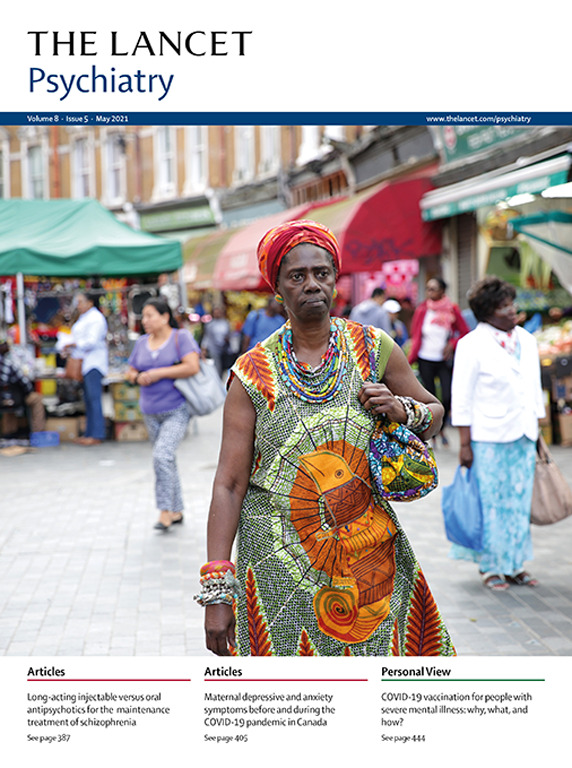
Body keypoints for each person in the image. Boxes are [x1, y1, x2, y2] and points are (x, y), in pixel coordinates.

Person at [198, 219, 455, 657]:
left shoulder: (374, 348)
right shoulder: (252, 373)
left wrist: (402, 409)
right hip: (277, 566)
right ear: (277, 288)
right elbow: (229, 484)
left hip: (367, 557)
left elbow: (435, 414)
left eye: (321, 273)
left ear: (335, 279)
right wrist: (218, 588)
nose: (312, 284)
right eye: (297, 276)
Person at [450, 276, 545, 591]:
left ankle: (515, 564)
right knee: (492, 503)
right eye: (504, 306)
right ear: (488, 311)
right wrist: (464, 444)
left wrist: (539, 430)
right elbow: (461, 397)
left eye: (512, 304)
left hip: (524, 433)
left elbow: (533, 387)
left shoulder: (527, 340)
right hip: (488, 436)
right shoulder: (471, 345)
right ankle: (491, 566)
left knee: (519, 501)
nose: (512, 310)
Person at [127, 297, 200, 531]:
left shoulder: (181, 337)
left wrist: (158, 373)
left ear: (165, 317)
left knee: (161, 456)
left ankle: (165, 511)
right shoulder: (141, 343)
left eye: (150, 315)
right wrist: (137, 377)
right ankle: (177, 510)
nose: (145, 321)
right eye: (143, 316)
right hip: (150, 411)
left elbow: (192, 366)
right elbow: (130, 371)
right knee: (167, 459)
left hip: (176, 409)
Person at [408, 277, 469, 446]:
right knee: (429, 395)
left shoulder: (452, 309)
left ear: (442, 291)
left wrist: (452, 344)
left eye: (433, 289)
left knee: (448, 396)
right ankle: (433, 432)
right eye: (428, 288)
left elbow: (464, 332)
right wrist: (409, 359)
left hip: (444, 360)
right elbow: (415, 335)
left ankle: (440, 427)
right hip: (425, 358)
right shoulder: (422, 310)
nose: (429, 292)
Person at [64, 292, 108, 445]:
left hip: (93, 363)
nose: (78, 305)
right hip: (84, 362)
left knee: (94, 399)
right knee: (88, 399)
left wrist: (74, 344)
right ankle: (89, 432)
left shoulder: (96, 318)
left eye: (81, 302)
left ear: (90, 302)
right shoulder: (84, 317)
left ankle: (97, 434)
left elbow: (92, 341)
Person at [0, 337, 46, 435]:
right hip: (14, 398)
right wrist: (29, 391)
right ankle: (38, 432)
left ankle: (8, 432)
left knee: (7, 405)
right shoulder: (8, 363)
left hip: (4, 399)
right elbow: (24, 383)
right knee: (36, 398)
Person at [201, 306, 232, 378]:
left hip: (224, 349)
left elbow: (229, 335)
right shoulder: (209, 325)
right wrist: (203, 350)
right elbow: (206, 338)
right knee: (217, 367)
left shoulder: (225, 323)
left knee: (224, 367)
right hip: (213, 349)